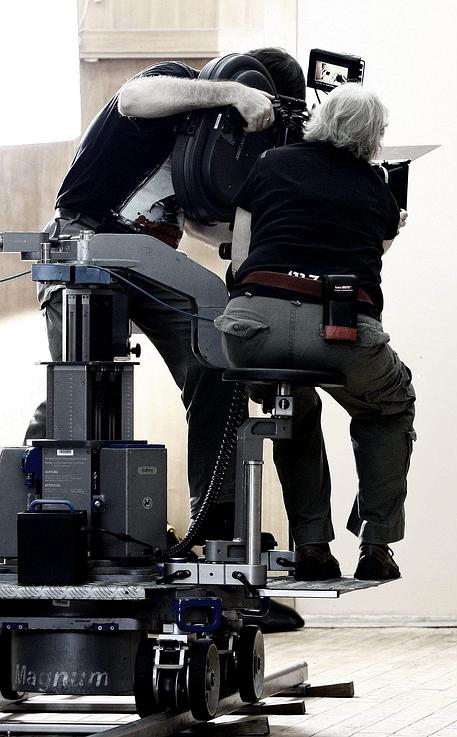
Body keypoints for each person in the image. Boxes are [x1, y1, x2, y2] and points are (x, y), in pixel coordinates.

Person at [25, 48, 307, 538]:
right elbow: (133, 99)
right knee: (81, 391)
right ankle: (35, 509)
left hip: (149, 261)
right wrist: (234, 92)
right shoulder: (176, 81)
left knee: (216, 356)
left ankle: (217, 513)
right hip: (86, 240)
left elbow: (198, 223)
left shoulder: (212, 140)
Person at [215, 83, 414, 582]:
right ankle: (376, 544)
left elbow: (240, 260)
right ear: (375, 137)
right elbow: (372, 254)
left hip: (254, 327)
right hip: (340, 329)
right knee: (389, 407)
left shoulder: (271, 163)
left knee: (294, 408)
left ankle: (311, 547)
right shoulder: (377, 187)